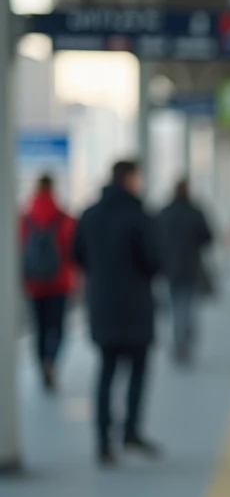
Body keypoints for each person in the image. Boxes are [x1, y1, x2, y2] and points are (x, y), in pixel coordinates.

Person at [73, 160, 163, 466]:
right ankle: (131, 431)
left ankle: (102, 442)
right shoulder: (139, 216)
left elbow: (77, 255)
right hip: (136, 305)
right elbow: (154, 260)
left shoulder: (89, 215)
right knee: (138, 371)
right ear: (129, 179)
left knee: (106, 372)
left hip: (101, 304)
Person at [18, 174, 77, 391]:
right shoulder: (63, 217)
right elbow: (73, 250)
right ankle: (51, 361)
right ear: (53, 189)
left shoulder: (25, 218)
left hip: (34, 284)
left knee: (40, 329)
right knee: (58, 328)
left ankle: (41, 366)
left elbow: (19, 251)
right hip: (59, 283)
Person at [157, 178, 214, 365]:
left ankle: (179, 340)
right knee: (188, 306)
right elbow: (208, 237)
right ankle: (185, 341)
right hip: (191, 266)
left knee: (174, 306)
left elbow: (154, 239)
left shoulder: (164, 213)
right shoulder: (195, 212)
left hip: (169, 268)